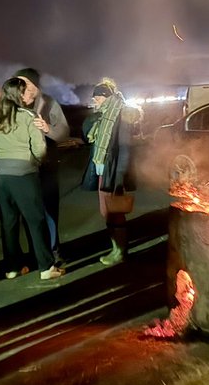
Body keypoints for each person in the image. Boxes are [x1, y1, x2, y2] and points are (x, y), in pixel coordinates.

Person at [0, 78, 63, 281]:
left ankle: (12, 268)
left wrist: (4, 153)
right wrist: (34, 161)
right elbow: (39, 148)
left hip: (2, 177)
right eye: (25, 91)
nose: (29, 94)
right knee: (36, 220)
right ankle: (46, 267)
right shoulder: (28, 116)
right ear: (18, 94)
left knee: (8, 223)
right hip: (25, 175)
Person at [12, 67, 70, 266]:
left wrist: (48, 129)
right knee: (29, 212)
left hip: (46, 166)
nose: (22, 87)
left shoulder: (49, 103)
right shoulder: (13, 105)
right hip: (23, 167)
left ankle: (53, 251)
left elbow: (63, 133)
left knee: (49, 210)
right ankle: (36, 253)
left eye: (26, 82)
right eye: (19, 82)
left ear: (35, 84)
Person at [81, 79, 142, 266]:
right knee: (107, 211)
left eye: (97, 97)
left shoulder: (121, 114)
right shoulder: (104, 114)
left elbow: (125, 148)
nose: (94, 101)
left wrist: (120, 178)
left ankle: (120, 252)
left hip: (114, 172)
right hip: (104, 169)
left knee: (114, 212)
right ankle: (116, 248)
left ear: (105, 96)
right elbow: (88, 136)